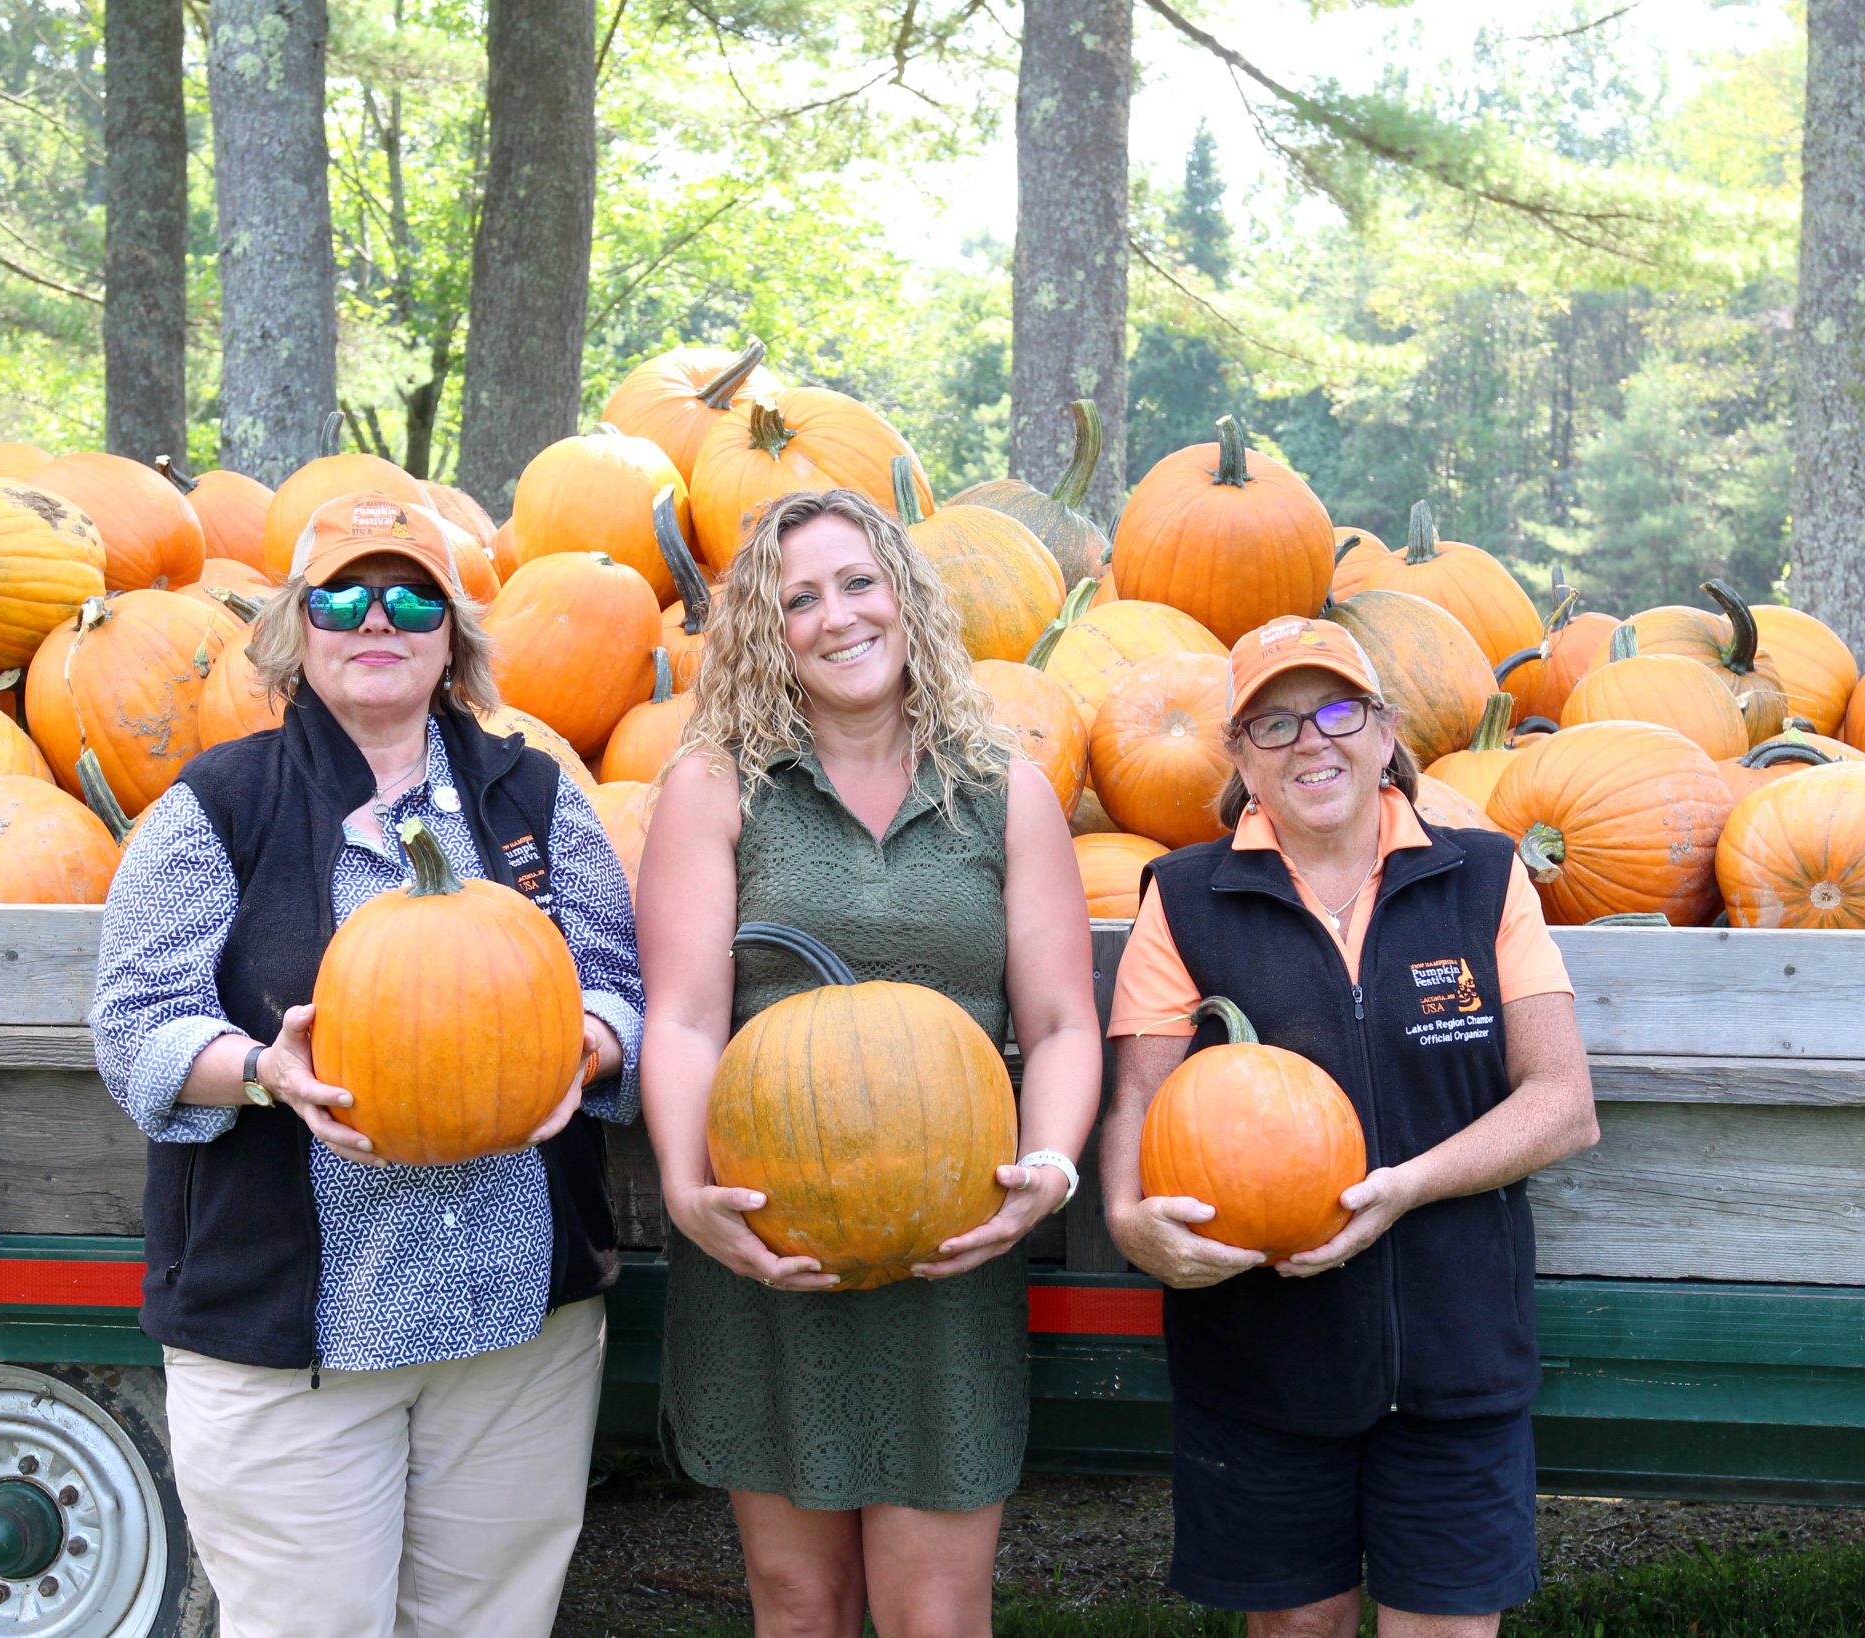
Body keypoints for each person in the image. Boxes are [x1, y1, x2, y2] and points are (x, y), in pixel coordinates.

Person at [89, 491, 644, 1638]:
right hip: (297, 1332)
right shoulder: (216, 807)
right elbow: (135, 1021)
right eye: (342, 594)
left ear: (453, 634)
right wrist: (256, 1071)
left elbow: (617, 983)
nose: (375, 619)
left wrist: (581, 1048)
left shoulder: (532, 796)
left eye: (411, 596)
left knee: (489, 1623)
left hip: (512, 1327)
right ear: (297, 627)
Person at [638, 487, 1103, 1637]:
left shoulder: (1003, 791)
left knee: (934, 1608)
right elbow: (686, 1017)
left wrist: (1046, 1164)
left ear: (904, 598)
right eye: (798, 598)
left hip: (951, 1238)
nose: (836, 616)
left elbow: (1058, 1025)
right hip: (769, 1236)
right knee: (799, 1603)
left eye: (858, 583)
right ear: (763, 630)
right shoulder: (715, 788)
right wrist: (694, 1197)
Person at [1099, 615, 1599, 1638]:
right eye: (1272, 725)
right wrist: (1126, 1221)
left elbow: (1559, 1103)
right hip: (1262, 1358)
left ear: (1383, 735)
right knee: (1294, 1628)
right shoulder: (1186, 899)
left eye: (1335, 711)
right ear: (1237, 756)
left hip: (1457, 1349)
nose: (1310, 742)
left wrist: (1404, 1185)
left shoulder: (1480, 876)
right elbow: (1136, 1102)